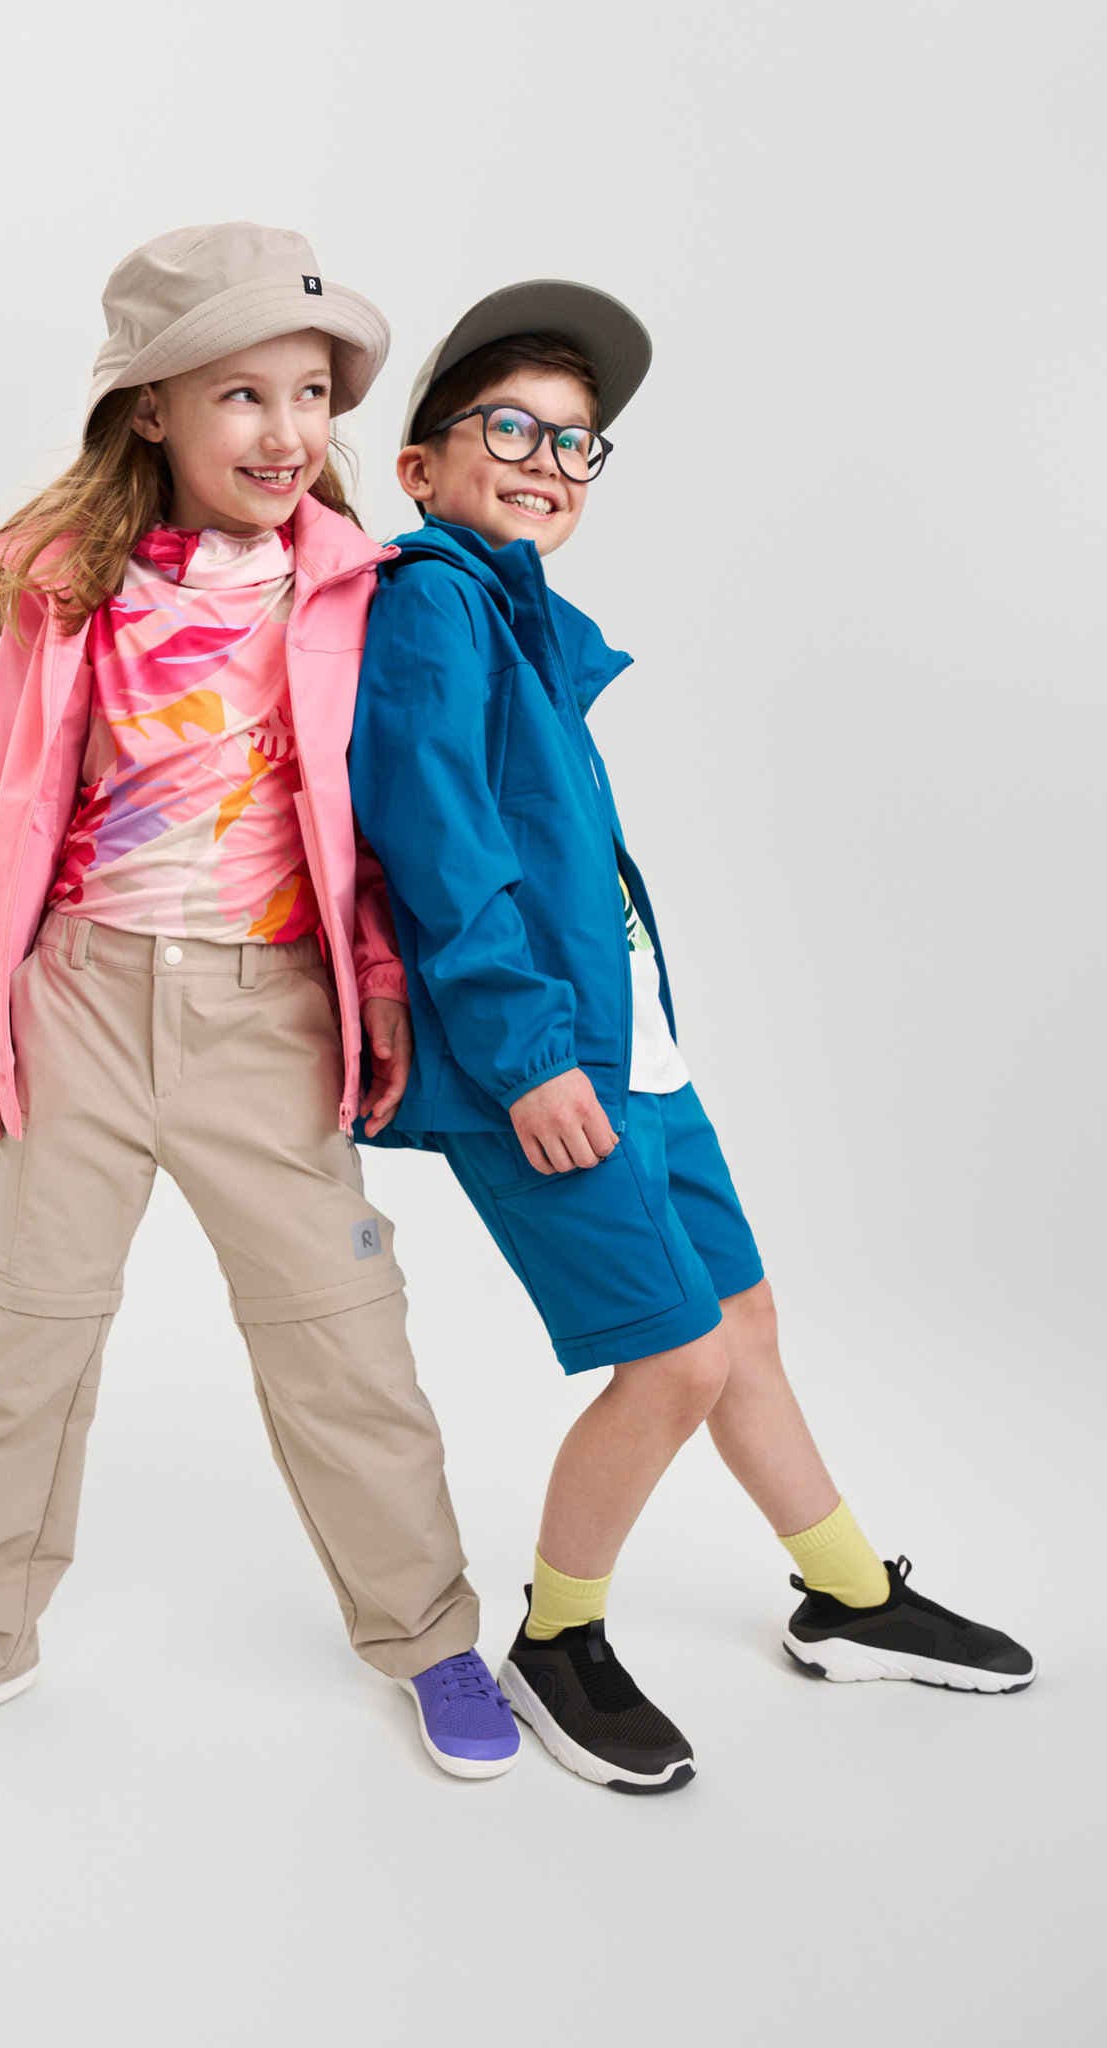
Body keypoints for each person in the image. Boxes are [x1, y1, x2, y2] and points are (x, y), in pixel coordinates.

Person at [0, 225, 519, 1781]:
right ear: (150, 407)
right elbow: (9, 799)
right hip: (77, 998)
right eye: (241, 395)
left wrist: (382, 987)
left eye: (311, 395)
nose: (286, 433)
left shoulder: (354, 588)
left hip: (268, 1015)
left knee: (343, 1338)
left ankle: (427, 1636)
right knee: (27, 1338)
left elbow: (383, 818)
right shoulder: (69, 585)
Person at [348, 280, 1035, 1795]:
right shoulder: (430, 602)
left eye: (575, 442)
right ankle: (557, 1640)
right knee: (672, 1361)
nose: (546, 460)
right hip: (542, 1067)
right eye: (509, 428)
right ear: (419, 466)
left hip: (635, 1056)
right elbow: (439, 847)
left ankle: (846, 1596)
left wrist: (613, 1042)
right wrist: (529, 1058)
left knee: (744, 1325)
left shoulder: (519, 619)